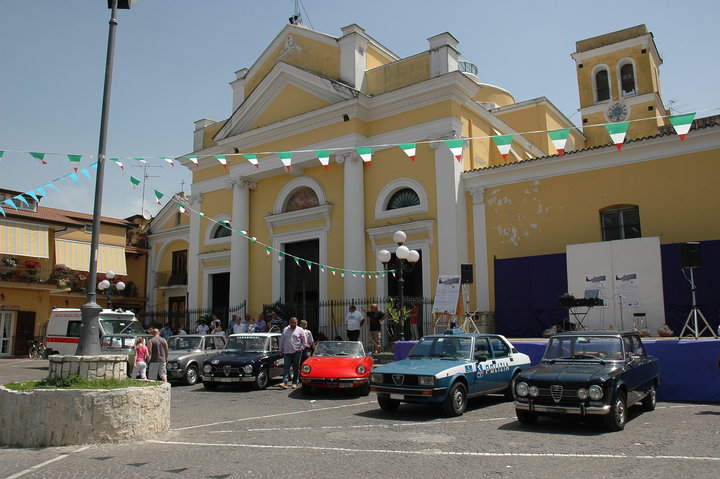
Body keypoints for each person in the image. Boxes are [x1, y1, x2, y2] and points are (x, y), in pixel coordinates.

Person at [278, 317, 307, 389]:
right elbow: (282, 340)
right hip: (287, 352)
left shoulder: (300, 330)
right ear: (289, 322)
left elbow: (304, 340)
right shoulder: (285, 329)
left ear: (297, 323)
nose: (293, 324)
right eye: (292, 323)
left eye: (295, 323)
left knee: (296, 367)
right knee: (286, 367)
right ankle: (284, 382)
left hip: (296, 351)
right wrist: (280, 349)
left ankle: (295, 383)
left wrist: (301, 348)